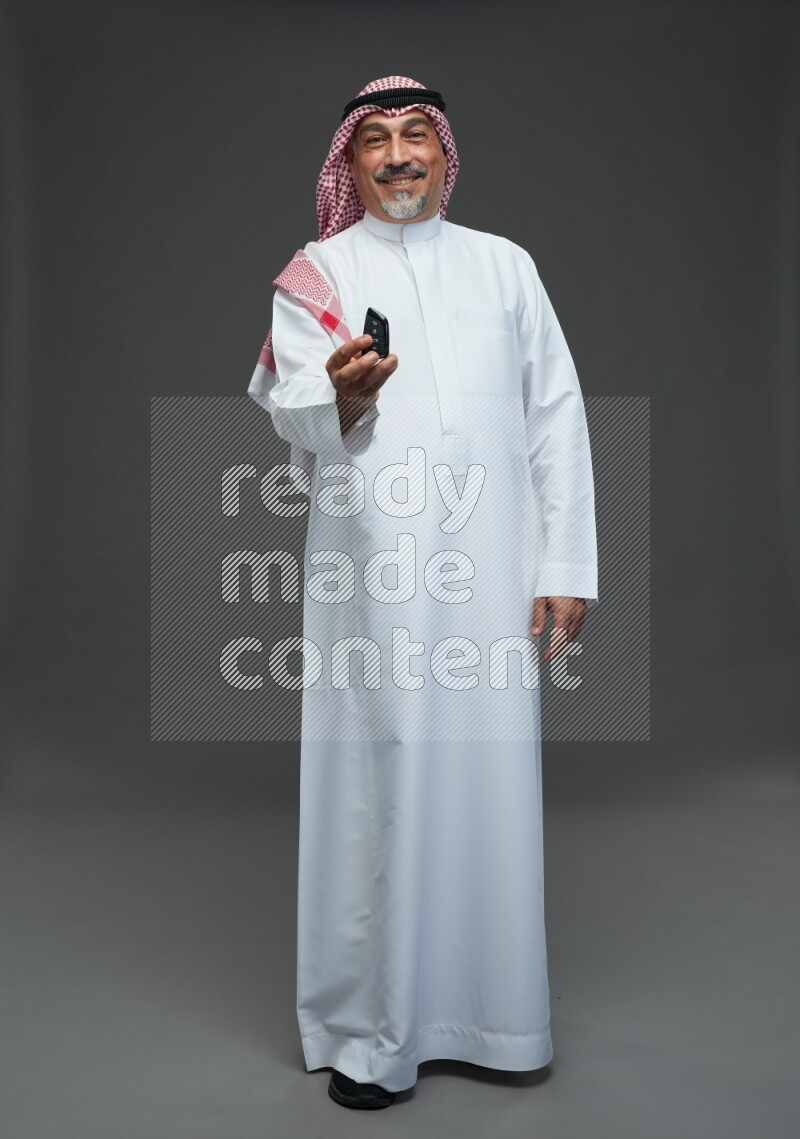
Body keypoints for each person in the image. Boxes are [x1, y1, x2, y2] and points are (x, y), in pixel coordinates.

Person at [247, 75, 598, 1110]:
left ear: (444, 154)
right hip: (374, 578)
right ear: (347, 166)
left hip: (492, 573)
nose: (398, 156)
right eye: (375, 143)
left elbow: (555, 415)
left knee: (486, 780)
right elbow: (283, 399)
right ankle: (368, 1033)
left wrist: (564, 563)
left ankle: (495, 1017)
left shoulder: (504, 267)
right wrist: (339, 394)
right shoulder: (317, 271)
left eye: (415, 137)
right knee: (380, 784)